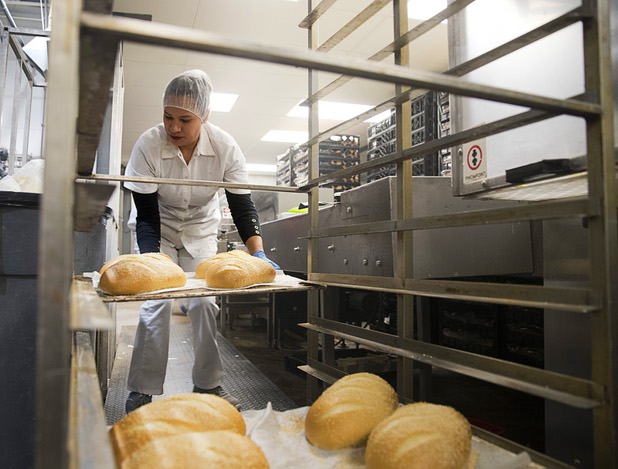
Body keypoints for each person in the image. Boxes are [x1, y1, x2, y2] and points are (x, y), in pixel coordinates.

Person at [123, 69, 280, 414]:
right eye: (168, 117)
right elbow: (147, 216)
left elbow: (242, 206)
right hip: (158, 232)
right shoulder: (149, 145)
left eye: (185, 119)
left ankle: (208, 386)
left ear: (205, 117)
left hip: (199, 231)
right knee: (156, 306)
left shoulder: (225, 147)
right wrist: (154, 263)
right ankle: (142, 391)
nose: (174, 127)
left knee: (205, 304)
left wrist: (260, 253)